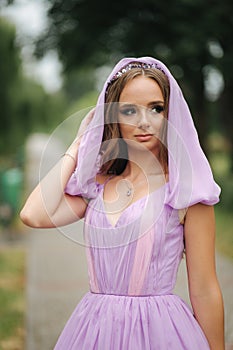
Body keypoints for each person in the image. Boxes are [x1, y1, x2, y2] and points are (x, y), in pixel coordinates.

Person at [20, 57, 225, 349]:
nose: (144, 121)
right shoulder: (99, 186)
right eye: (129, 110)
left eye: (156, 108)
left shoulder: (185, 194)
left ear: (170, 114)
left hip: (160, 332)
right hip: (95, 330)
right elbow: (33, 214)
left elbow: (205, 289)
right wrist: (78, 145)